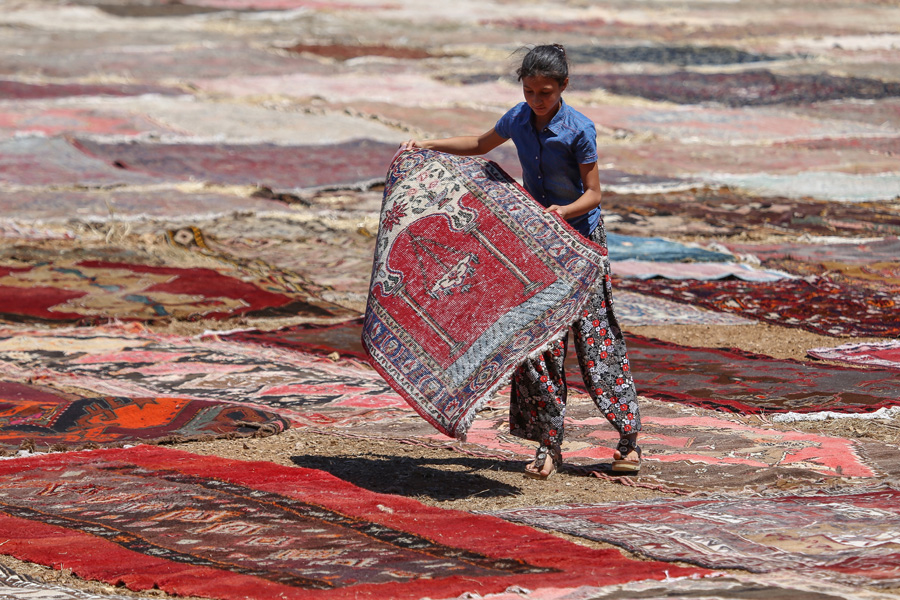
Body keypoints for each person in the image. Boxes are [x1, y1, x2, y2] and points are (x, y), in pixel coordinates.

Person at [400, 43, 641, 480]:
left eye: (545, 92)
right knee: (538, 345)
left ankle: (628, 439)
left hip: (581, 243)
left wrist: (564, 212)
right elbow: (480, 144)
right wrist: (427, 144)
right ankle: (549, 446)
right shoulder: (518, 117)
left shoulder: (579, 130)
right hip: (538, 244)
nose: (536, 100)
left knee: (597, 340)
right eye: (529, 91)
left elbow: (593, 194)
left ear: (563, 86)